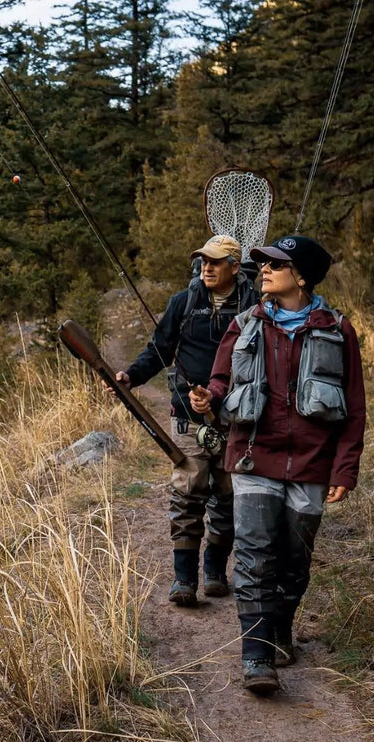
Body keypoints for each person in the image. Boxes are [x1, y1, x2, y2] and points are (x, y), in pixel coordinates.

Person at [189, 234, 366, 696]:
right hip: (253, 457)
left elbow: (355, 407)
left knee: (294, 560)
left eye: (276, 264)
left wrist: (345, 469)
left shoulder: (338, 329)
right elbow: (221, 381)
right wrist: (208, 399)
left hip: (312, 464)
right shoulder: (245, 324)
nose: (263, 270)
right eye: (263, 263)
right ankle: (256, 653)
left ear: (302, 276)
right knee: (253, 553)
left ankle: (279, 627)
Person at [114, 234, 259, 607]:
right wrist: (131, 376)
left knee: (228, 500)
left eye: (214, 262)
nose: (205, 268)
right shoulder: (184, 302)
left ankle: (214, 570)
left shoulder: (257, 306)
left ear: (234, 266)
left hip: (239, 419)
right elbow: (158, 350)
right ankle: (184, 579)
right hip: (188, 421)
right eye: (203, 262)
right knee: (186, 496)